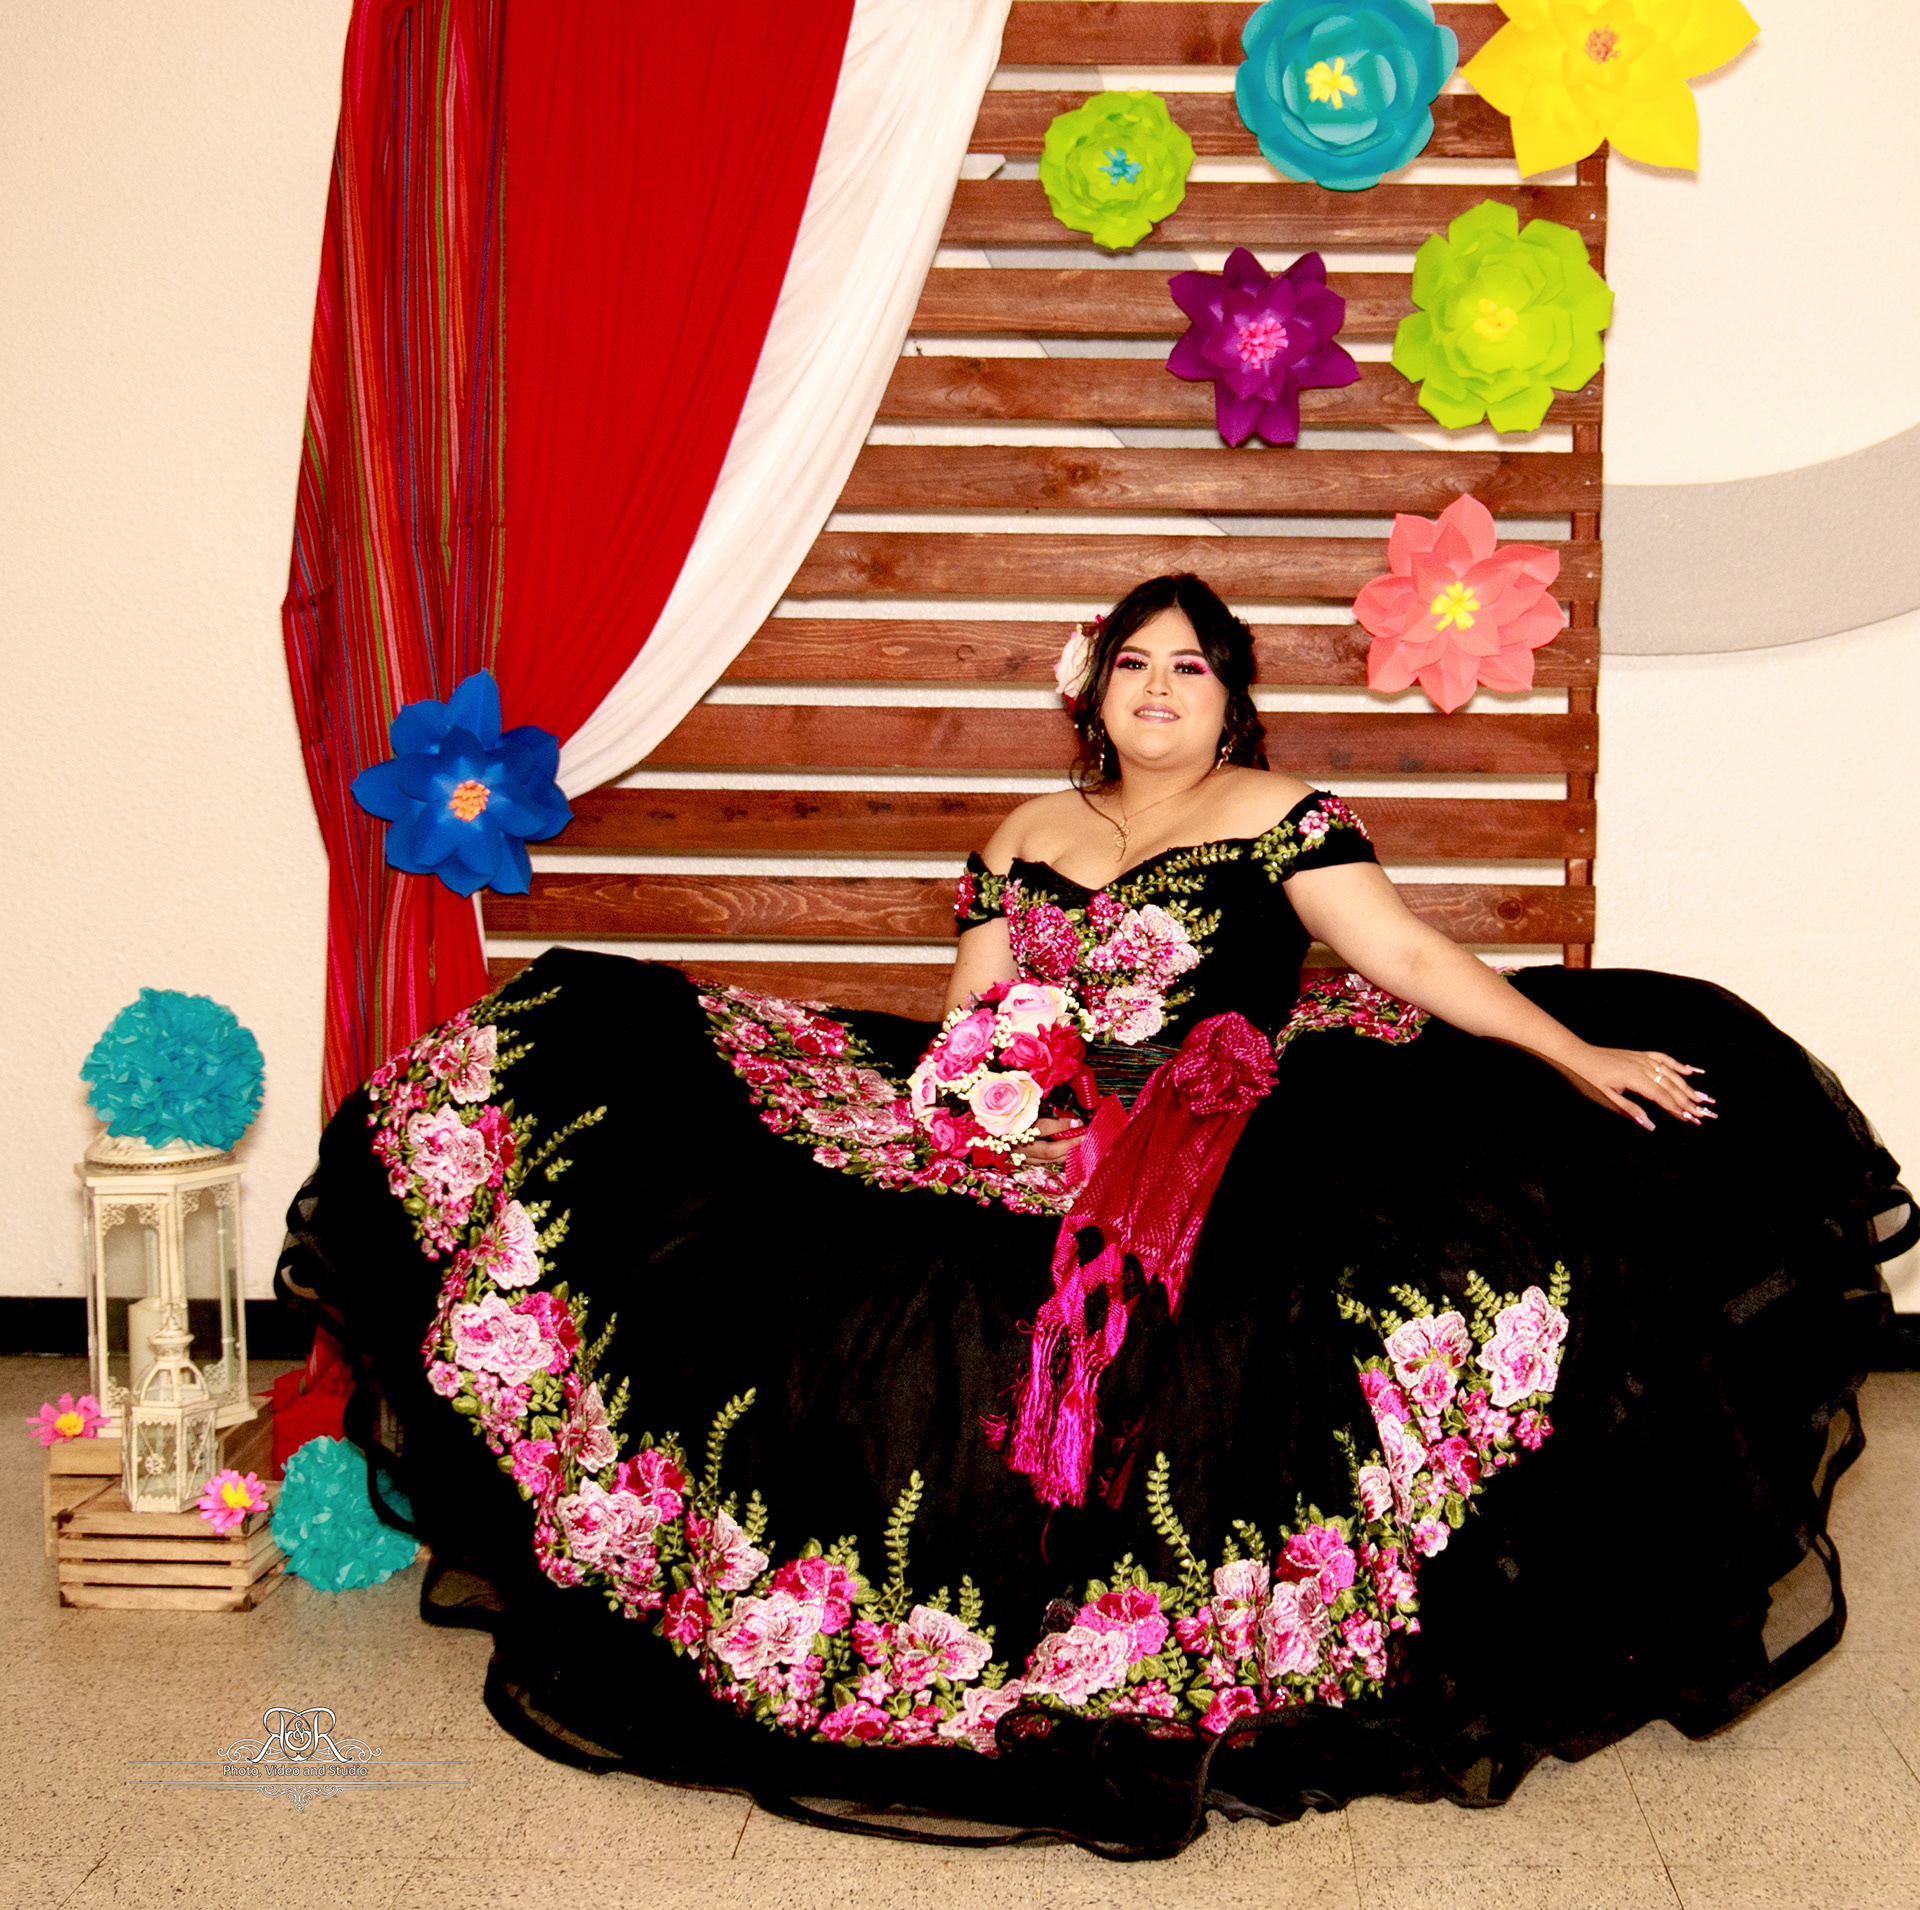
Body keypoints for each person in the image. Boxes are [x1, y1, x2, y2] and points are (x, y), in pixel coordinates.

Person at [277, 573, 1904, 1859]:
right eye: (1135, 662)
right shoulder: (1026, 834)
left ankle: (1155, 1639)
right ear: (1095, 691)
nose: (1160, 686)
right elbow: (971, 1009)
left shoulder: (1282, 811)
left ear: (1232, 696)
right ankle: (892, 1623)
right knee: (746, 1160)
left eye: (1192, 665)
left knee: (1205, 1344)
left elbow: (1408, 958)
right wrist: (987, 1085)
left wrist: (1574, 1050)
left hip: (1234, 1124)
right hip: (1040, 1117)